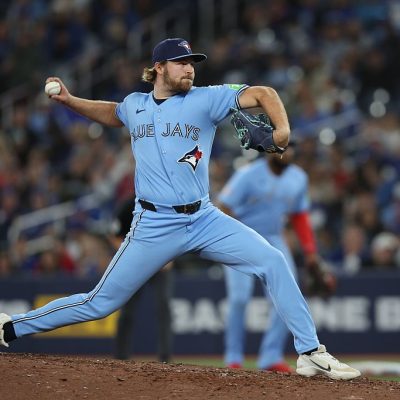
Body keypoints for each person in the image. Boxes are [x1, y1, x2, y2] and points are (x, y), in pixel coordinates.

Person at [0, 37, 360, 380]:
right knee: (99, 303)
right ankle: (10, 327)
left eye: (192, 63)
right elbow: (114, 113)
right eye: (181, 62)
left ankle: (310, 352)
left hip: (204, 218)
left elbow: (265, 93)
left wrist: (281, 131)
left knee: (274, 260)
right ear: (159, 68)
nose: (189, 69)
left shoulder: (207, 99)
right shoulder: (135, 105)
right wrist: (70, 100)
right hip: (153, 224)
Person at [218, 146, 333, 372]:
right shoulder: (248, 174)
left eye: (289, 149)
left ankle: (270, 356)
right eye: (280, 149)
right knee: (239, 299)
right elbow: (223, 207)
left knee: (286, 296)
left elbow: (299, 215)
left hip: (273, 237)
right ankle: (233, 358)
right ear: (267, 151)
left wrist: (310, 252)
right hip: (241, 235)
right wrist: (224, 242)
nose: (285, 153)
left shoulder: (298, 177)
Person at [109, 196, 173, 362]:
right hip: (135, 266)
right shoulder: (128, 205)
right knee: (127, 310)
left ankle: (165, 357)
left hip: (159, 264)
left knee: (163, 308)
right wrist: (129, 254)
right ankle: (121, 356)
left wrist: (170, 257)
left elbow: (176, 235)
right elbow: (114, 234)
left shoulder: (165, 203)